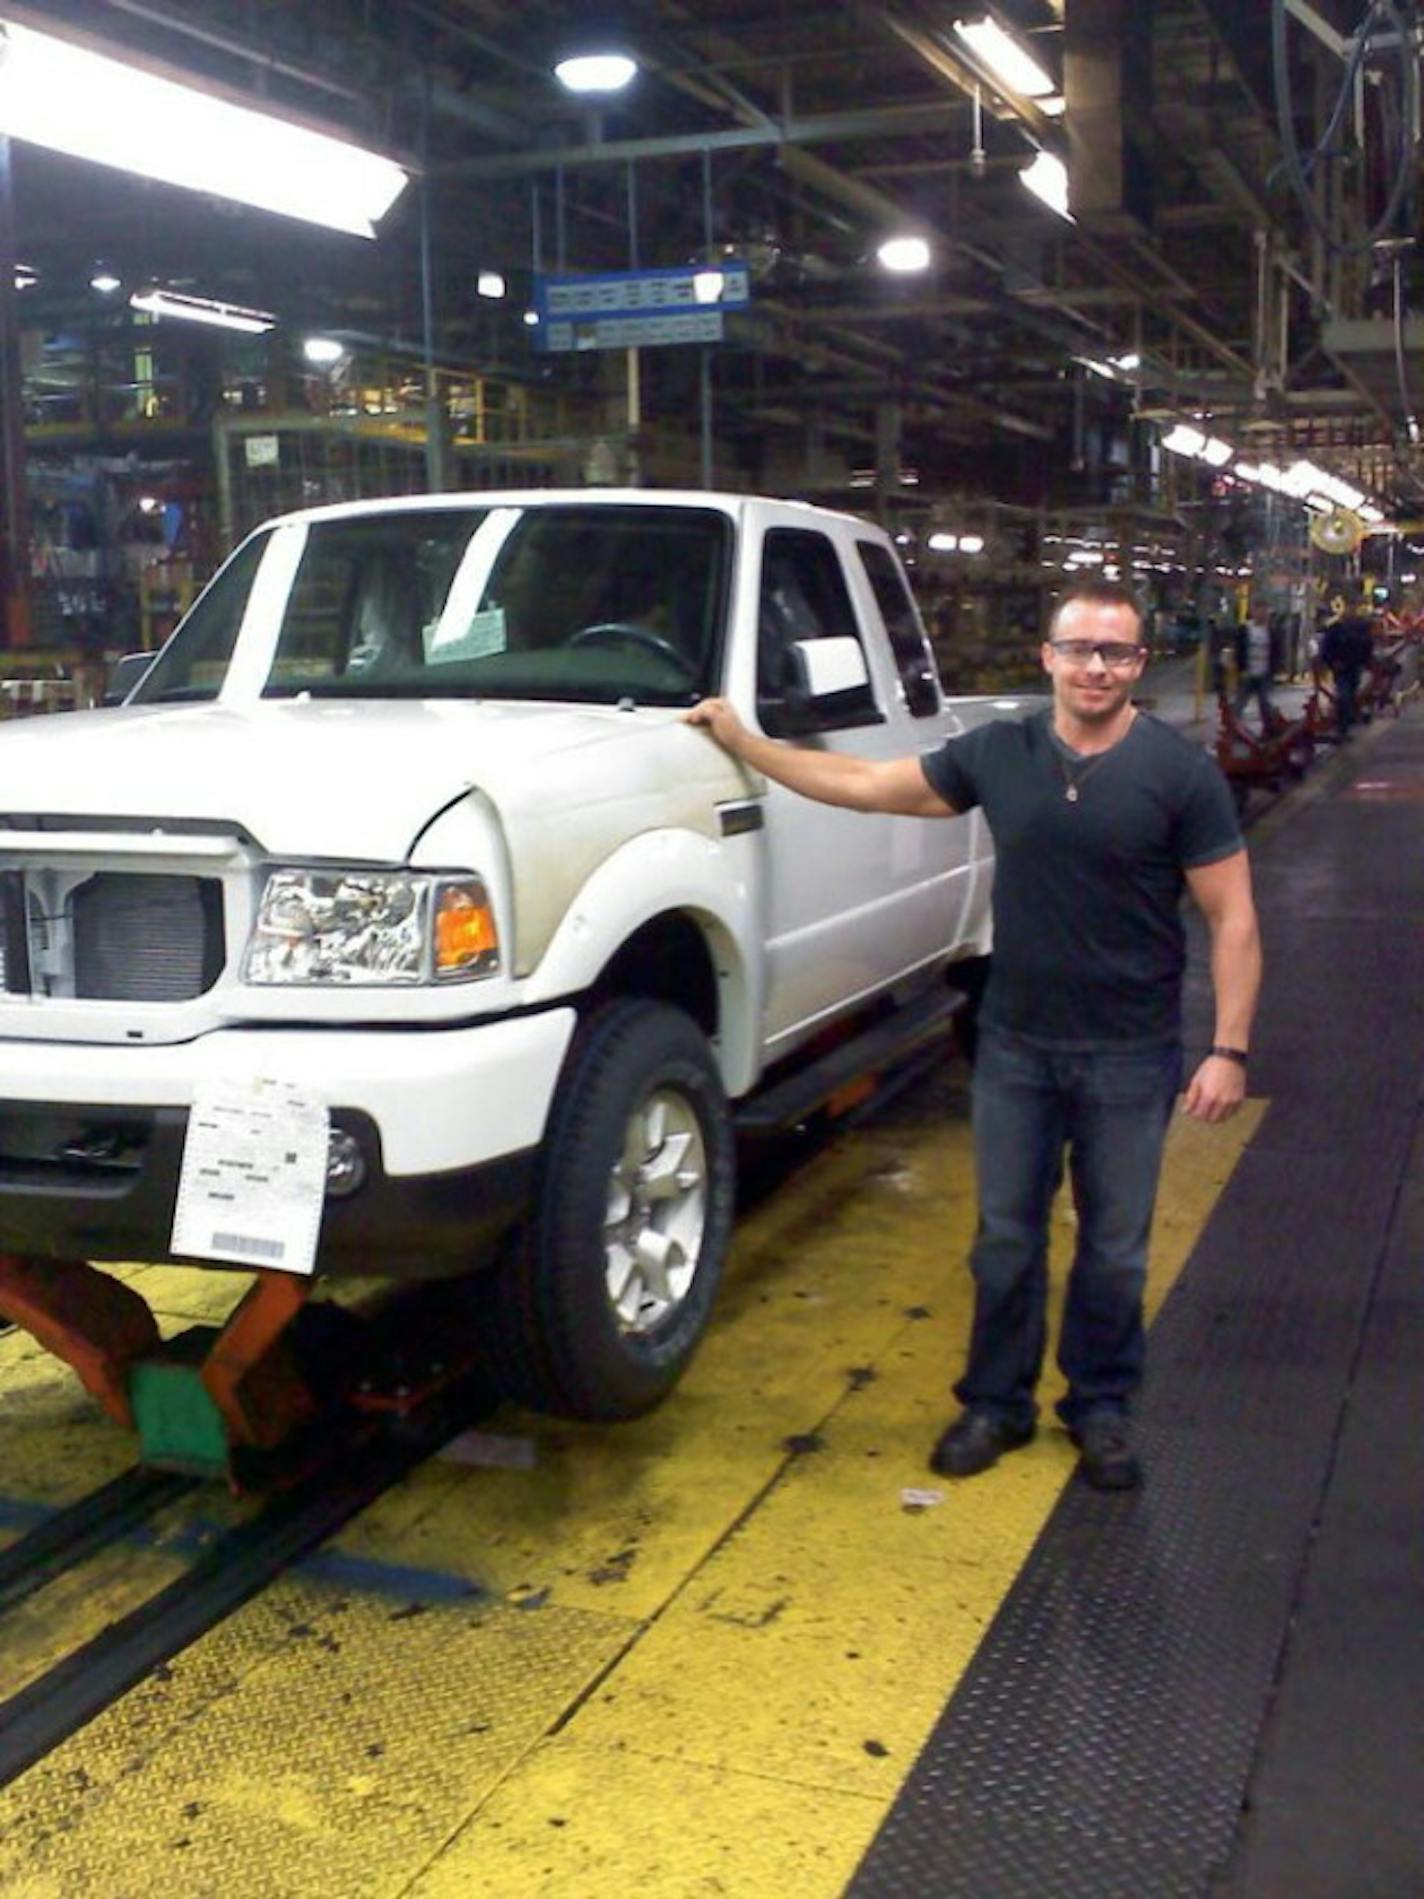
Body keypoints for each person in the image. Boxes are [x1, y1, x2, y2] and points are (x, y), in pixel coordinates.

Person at [684, 579, 1261, 1493]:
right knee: (1004, 1237)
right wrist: (745, 743)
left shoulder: (1177, 774)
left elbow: (1232, 917)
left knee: (1114, 1245)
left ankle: (1101, 1406)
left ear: (1137, 664)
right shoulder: (1000, 752)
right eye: (1079, 648)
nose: (1095, 667)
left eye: (1115, 652)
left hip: (1129, 1051)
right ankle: (995, 1402)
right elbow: (869, 785)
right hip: (1017, 1047)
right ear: (1050, 657)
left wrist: (1227, 1049)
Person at [1319, 609, 1374, 738]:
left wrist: (1366, 661)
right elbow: (1327, 648)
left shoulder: (1360, 628)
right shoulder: (1335, 629)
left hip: (1354, 668)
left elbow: (1367, 645)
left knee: (1350, 694)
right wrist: (1333, 663)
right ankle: (1342, 727)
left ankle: (1344, 726)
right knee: (1344, 696)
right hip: (1342, 669)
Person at [1234, 608, 1274, 725]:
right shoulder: (1245, 629)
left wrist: (1272, 670)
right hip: (1248, 672)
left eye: (1265, 611)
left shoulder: (1270, 630)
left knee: (1264, 702)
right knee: (1240, 701)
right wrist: (1241, 668)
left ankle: (1268, 730)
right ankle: (1234, 728)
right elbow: (1239, 650)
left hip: (1264, 672)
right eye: (1260, 610)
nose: (1263, 614)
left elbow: (1275, 651)